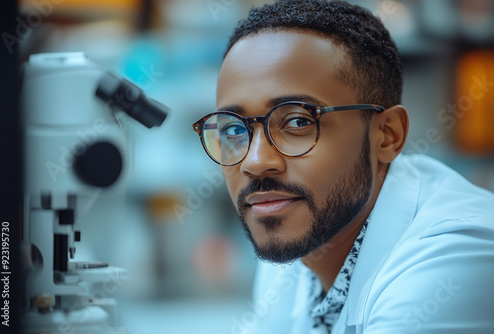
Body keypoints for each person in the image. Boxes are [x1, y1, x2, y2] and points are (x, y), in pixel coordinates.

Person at [192, 1, 494, 333]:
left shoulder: (454, 256)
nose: (256, 162)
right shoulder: (296, 234)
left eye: (297, 121)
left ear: (387, 136)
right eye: (234, 129)